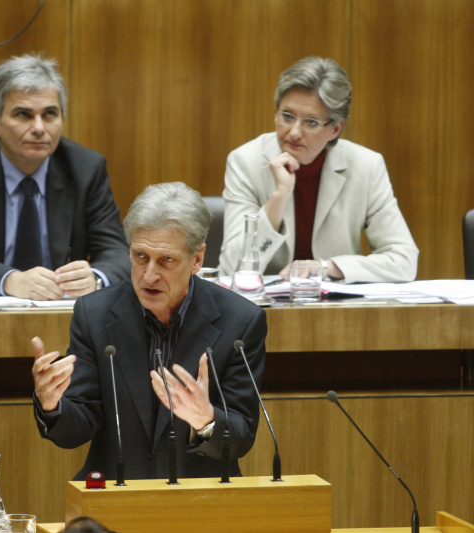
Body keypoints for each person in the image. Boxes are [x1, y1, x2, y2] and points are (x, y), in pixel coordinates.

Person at [32, 182, 266, 480]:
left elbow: (242, 437)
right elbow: (76, 430)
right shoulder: (95, 314)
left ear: (197, 259)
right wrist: (52, 405)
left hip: (200, 503)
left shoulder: (240, 321)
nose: (149, 275)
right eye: (140, 257)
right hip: (115, 499)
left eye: (166, 260)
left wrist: (205, 420)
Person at [0, 54, 129, 300]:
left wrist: (95, 278)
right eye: (24, 115)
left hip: (63, 317)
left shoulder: (85, 168)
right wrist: (9, 280)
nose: (39, 128)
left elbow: (117, 253)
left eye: (50, 114)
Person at [218, 56, 419, 283]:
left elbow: (404, 261)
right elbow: (230, 269)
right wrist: (279, 196)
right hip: (264, 311)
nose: (294, 132)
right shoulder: (246, 161)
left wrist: (327, 267)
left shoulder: (366, 166)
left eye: (311, 122)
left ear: (335, 129)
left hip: (337, 310)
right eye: (287, 116)